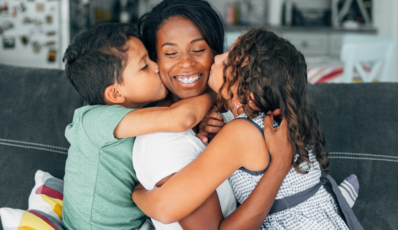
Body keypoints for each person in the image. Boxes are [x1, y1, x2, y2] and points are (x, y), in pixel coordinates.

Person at [132, 24, 363, 229]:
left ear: (248, 95)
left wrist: (138, 193)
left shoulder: (241, 133)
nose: (218, 57)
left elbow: (167, 208)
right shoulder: (278, 121)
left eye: (229, 59)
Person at [62, 23, 218, 230]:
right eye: (144, 66)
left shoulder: (139, 114)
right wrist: (216, 90)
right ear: (115, 94)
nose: (156, 67)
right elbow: (182, 117)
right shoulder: (93, 121)